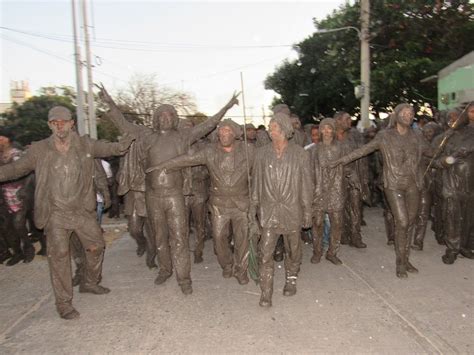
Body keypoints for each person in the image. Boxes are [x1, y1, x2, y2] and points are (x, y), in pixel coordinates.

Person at [99, 85, 239, 295]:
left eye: (169, 115)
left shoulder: (183, 137)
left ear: (174, 118)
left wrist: (226, 107)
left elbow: (208, 124)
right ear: (155, 118)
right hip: (153, 195)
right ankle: (165, 269)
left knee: (180, 237)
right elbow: (124, 124)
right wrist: (109, 102)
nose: (165, 118)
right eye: (161, 115)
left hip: (175, 196)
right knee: (159, 236)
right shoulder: (147, 136)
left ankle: (184, 278)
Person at [0, 106, 133, 319]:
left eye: (63, 121)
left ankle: (89, 282)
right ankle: (64, 303)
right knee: (59, 257)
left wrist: (123, 144)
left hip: (81, 211)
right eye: (54, 122)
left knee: (96, 246)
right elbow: (16, 169)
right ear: (49, 125)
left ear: (72, 123)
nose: (59, 125)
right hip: (55, 214)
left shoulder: (85, 144)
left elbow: (111, 149)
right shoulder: (39, 149)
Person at [330, 104, 432, 278]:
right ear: (397, 115)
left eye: (411, 114)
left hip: (413, 184)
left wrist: (446, 155)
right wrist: (342, 160)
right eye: (405, 113)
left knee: (410, 223)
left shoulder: (417, 136)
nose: (408, 116)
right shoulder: (385, 136)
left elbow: (431, 152)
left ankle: (406, 259)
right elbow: (363, 150)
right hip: (393, 184)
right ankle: (400, 263)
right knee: (402, 222)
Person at [147, 119, 254, 285]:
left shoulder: (248, 150)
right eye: (221, 131)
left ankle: (241, 270)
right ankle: (226, 265)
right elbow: (186, 159)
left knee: (242, 239)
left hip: (241, 203)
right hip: (219, 204)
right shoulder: (209, 151)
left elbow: (260, 170)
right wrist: (162, 166)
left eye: (227, 131)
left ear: (235, 134)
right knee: (219, 239)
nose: (223, 134)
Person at [250, 112, 312, 307]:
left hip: (292, 210)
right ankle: (266, 292)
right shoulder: (261, 154)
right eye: (269, 127)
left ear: (284, 129)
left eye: (273, 127)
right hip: (269, 212)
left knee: (293, 250)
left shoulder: (300, 154)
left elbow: (306, 185)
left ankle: (291, 279)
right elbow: (256, 186)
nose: (270, 130)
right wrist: (252, 212)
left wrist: (307, 210)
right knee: (265, 252)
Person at [435, 102, 474, 264]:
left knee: (468, 216)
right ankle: (452, 248)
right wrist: (447, 160)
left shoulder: (470, 134)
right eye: (450, 118)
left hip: (470, 182)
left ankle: (464, 246)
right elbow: (433, 160)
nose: (453, 120)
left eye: (456, 117)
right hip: (451, 182)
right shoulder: (444, 137)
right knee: (452, 215)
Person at [310, 118, 351, 265]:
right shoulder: (314, 150)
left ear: (333, 130)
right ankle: (317, 251)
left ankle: (332, 252)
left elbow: (349, 167)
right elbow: (309, 172)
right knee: (318, 223)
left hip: (336, 189)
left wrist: (346, 175)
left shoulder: (341, 148)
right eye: (323, 128)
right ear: (320, 131)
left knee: (337, 223)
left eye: (329, 128)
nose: (326, 132)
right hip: (319, 191)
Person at [334, 111, 368, 249]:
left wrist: (363, 180)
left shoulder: (354, 137)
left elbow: (362, 159)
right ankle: (344, 235)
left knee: (355, 208)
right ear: (338, 121)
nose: (350, 121)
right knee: (340, 208)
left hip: (354, 177)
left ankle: (356, 236)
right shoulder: (331, 139)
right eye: (347, 119)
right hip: (337, 179)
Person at [0, 135, 35, 265]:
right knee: (8, 227)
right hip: (5, 197)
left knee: (19, 224)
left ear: (8, 140)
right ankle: (17, 253)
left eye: (1, 138)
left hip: (19, 195)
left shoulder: (17, 155)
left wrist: (24, 191)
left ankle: (28, 248)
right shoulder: (1, 156)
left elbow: (28, 174)